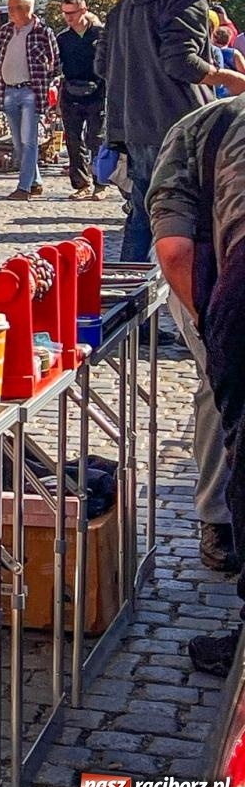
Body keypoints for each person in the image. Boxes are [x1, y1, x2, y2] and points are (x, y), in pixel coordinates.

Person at [148, 93, 245, 673]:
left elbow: (175, 245)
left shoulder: (199, 126)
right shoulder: (205, 127)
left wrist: (213, 328)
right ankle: (219, 521)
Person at [98, 0, 245, 262]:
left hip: (133, 123)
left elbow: (102, 63)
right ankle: (191, 288)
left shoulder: (128, 0)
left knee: (142, 212)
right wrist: (229, 78)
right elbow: (182, 62)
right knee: (186, 218)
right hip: (180, 124)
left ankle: (130, 282)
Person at [0, 0, 59, 202]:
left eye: (15, 8)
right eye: (10, 8)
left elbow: (55, 62)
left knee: (29, 141)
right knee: (17, 141)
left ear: (28, 9)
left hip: (31, 92)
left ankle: (24, 188)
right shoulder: (5, 31)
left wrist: (45, 85)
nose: (11, 12)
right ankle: (35, 181)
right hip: (8, 90)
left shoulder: (43, 32)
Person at [56, 0, 106, 199]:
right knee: (73, 141)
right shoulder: (63, 38)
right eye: (65, 13)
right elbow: (58, 68)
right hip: (71, 92)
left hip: (98, 92)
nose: (69, 17)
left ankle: (100, 184)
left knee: (96, 139)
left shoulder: (101, 34)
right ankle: (81, 183)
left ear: (84, 10)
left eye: (72, 13)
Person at [216, 24, 244, 100]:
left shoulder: (209, 51)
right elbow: (243, 72)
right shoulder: (233, 53)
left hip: (214, 91)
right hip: (232, 92)